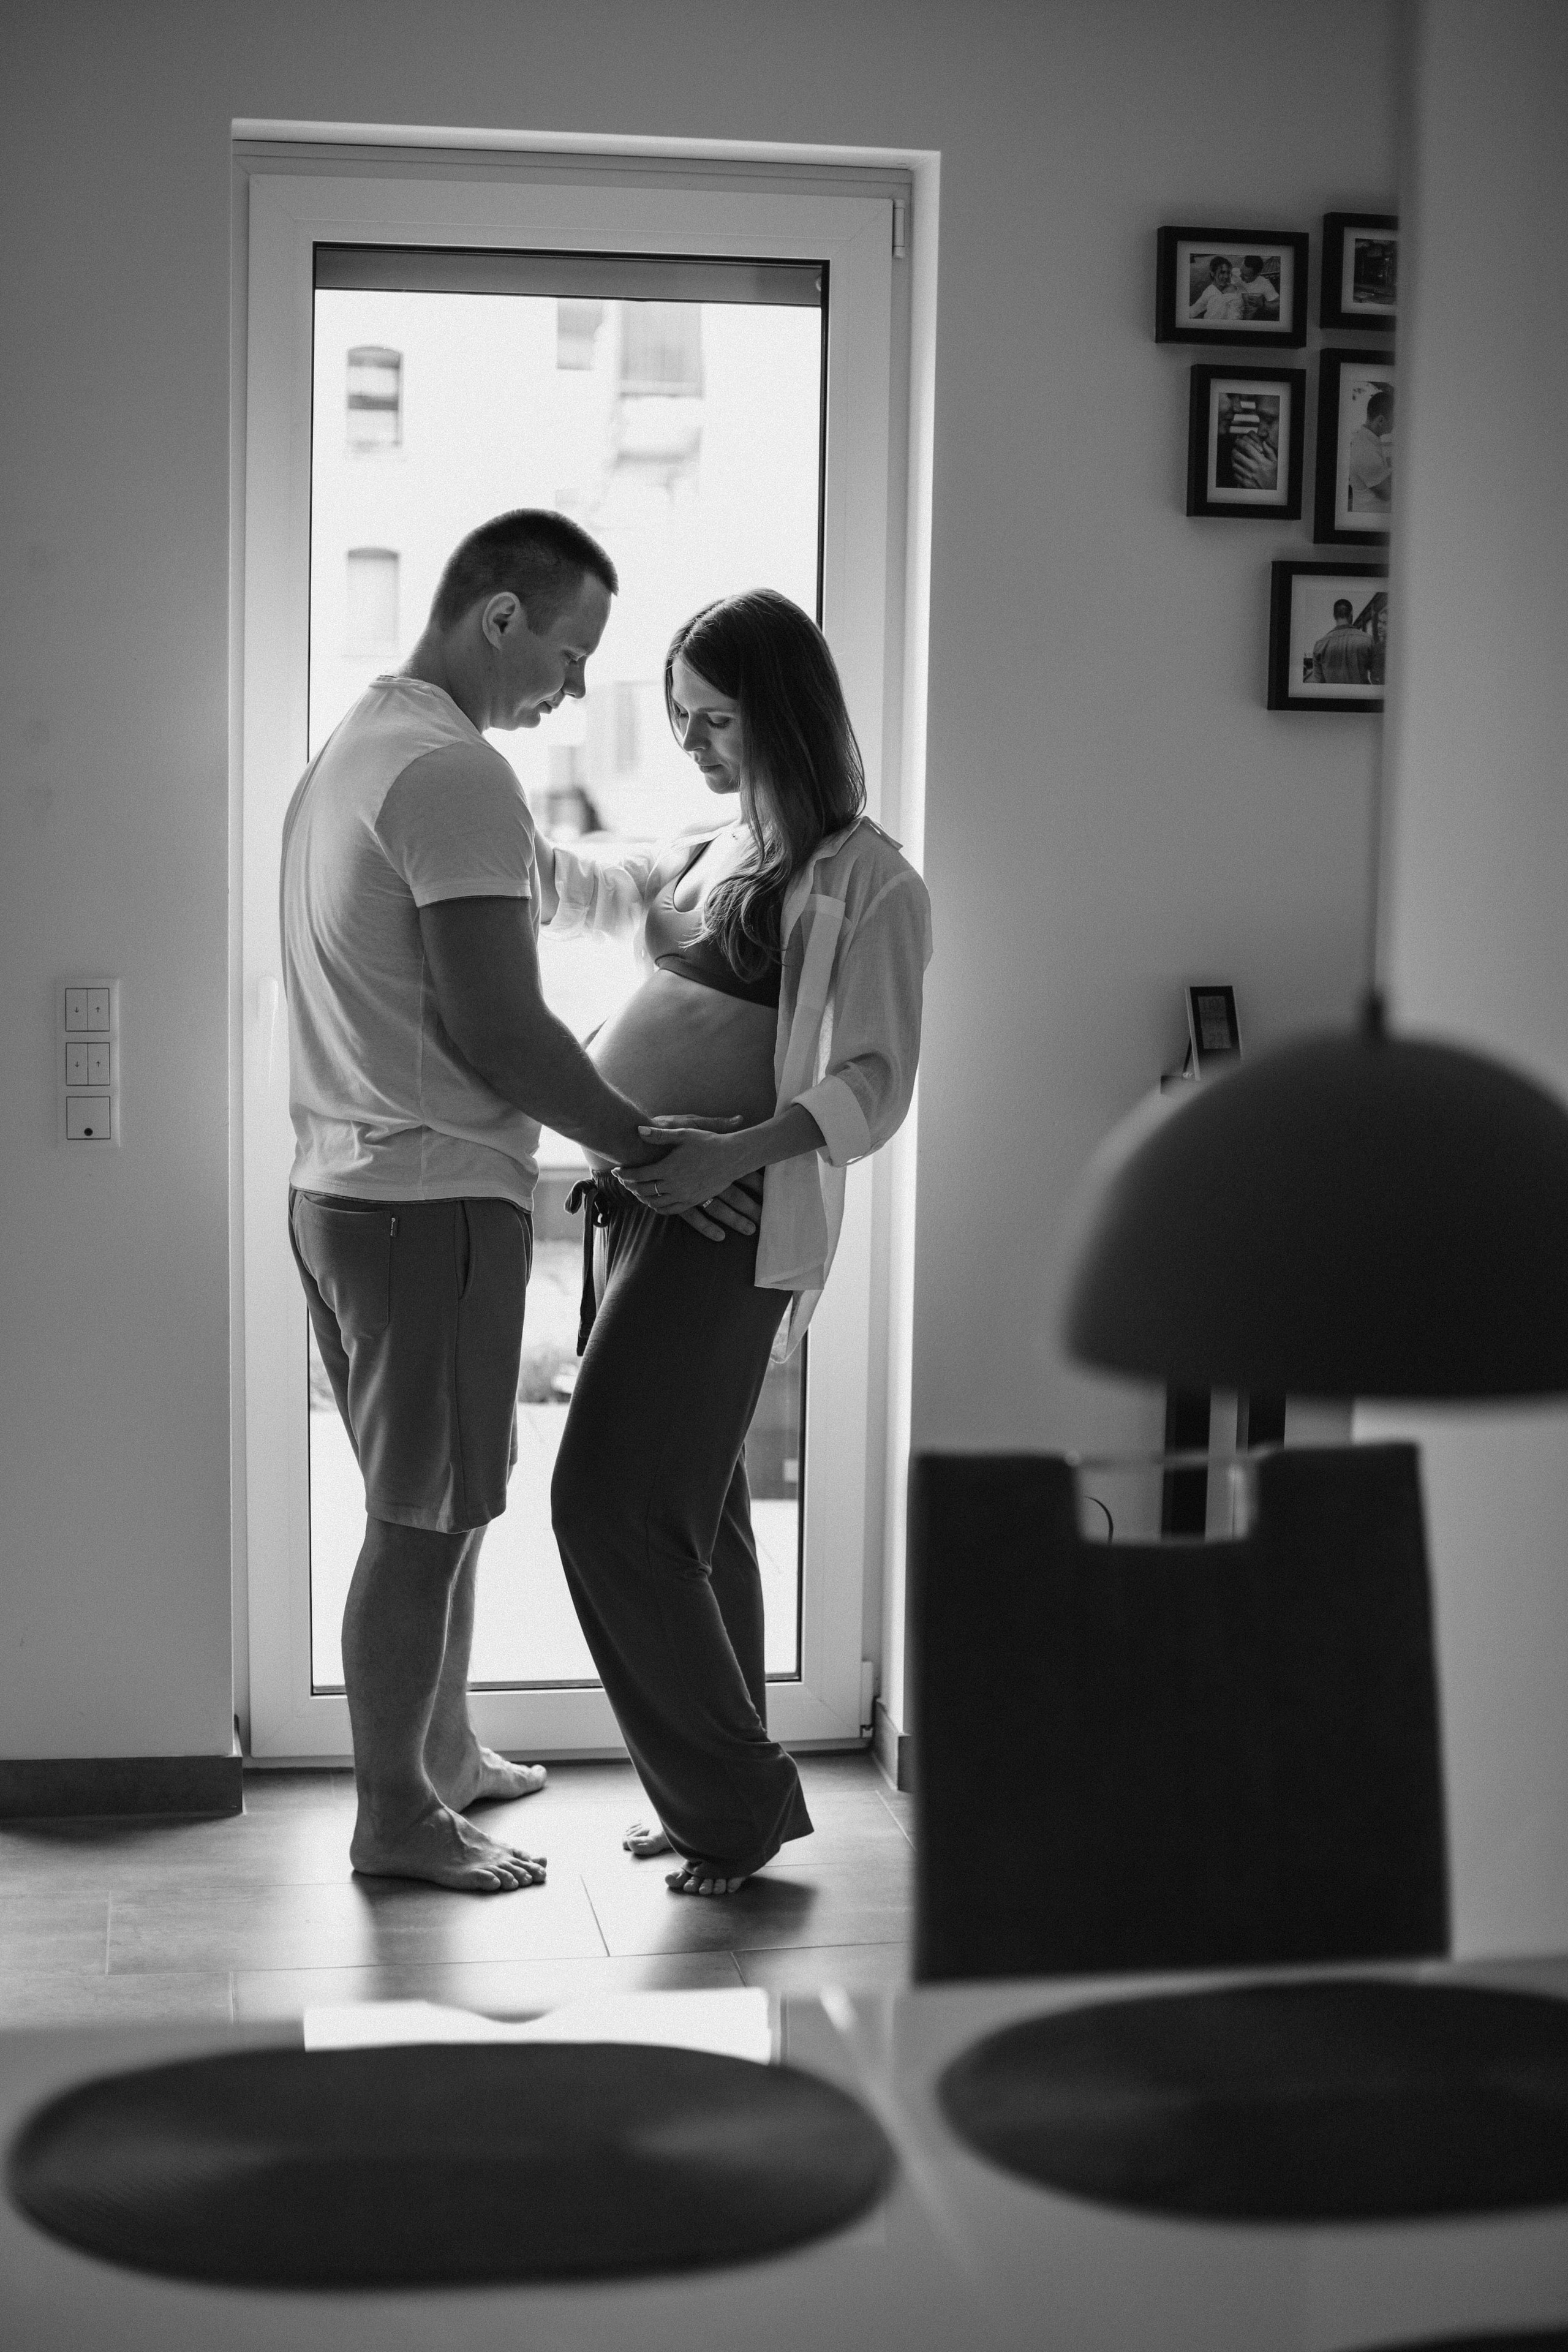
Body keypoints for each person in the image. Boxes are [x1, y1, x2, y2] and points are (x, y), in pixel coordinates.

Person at [279, 509, 716, 1896]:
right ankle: (394, 1816)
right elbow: (497, 1027)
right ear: (501, 618)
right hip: (427, 1204)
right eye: (573, 653)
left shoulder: (362, 749)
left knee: (437, 1507)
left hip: (347, 1191)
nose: (576, 689)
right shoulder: (455, 772)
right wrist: (638, 1144)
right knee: (421, 1523)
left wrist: (662, 874)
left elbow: (545, 893)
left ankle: (444, 1750)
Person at [544, 590, 933, 1898]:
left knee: (606, 1505)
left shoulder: (872, 881)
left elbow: (872, 1087)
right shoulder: (711, 849)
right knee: (697, 1510)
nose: (696, 745)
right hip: (641, 1210)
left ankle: (732, 1804)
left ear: (782, 712)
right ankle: (719, 1798)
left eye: (715, 719)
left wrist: (721, 1155)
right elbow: (624, 964)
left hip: (726, 1225)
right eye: (680, 721)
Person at [1346, 386, 1394, 514]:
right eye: (1394, 419)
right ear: (1381, 420)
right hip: (1371, 521)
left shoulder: (1368, 440)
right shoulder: (1366, 450)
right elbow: (1387, 494)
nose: (1396, 424)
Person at [1311, 597, 1376, 685]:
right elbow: (1376, 676)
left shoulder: (1320, 645)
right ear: (1351, 614)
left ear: (1334, 616)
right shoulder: (1367, 640)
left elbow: (1318, 684)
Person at [1188, 255, 1246, 325]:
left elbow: (1234, 319)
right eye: (1222, 272)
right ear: (1213, 273)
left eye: (1228, 273)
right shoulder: (1210, 289)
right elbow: (1197, 307)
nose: (1226, 276)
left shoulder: (1235, 294)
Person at [1236, 254, 1280, 321]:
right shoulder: (1233, 273)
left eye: (1246, 276)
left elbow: (1280, 306)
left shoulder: (1264, 284)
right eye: (1241, 271)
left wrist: (1262, 304)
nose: (1240, 276)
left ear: (1257, 274)